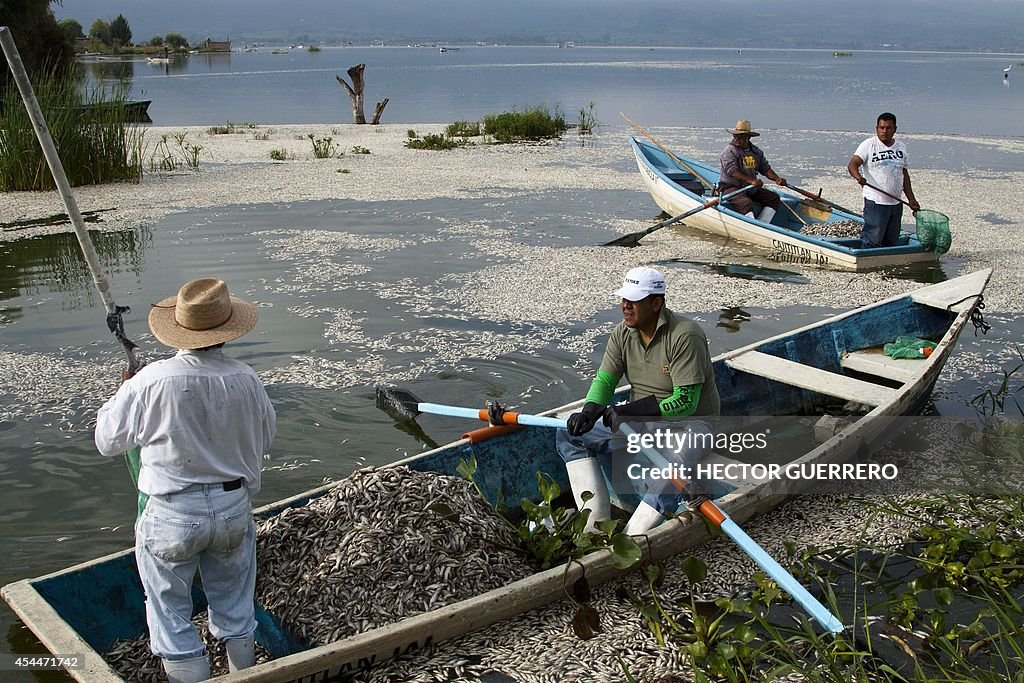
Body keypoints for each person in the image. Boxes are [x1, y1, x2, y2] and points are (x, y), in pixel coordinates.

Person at [95, 278, 277, 683]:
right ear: (226, 330)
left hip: (172, 514)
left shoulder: (152, 380)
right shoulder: (247, 378)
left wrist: (122, 392)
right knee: (234, 607)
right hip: (233, 510)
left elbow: (108, 440)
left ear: (178, 329)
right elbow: (266, 437)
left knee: (171, 615)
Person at [556, 267, 720, 535]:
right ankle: (595, 527)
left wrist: (630, 411)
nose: (625, 306)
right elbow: (606, 381)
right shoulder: (623, 333)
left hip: (692, 424)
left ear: (656, 303)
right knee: (567, 434)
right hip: (641, 421)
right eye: (623, 299)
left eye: (634, 301)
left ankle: (632, 535)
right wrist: (589, 412)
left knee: (675, 462)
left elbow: (687, 402)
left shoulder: (685, 335)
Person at [847, 112, 920, 248]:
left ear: (895, 129)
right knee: (872, 240)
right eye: (881, 128)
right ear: (877, 128)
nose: (884, 131)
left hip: (896, 203)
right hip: (876, 203)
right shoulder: (868, 145)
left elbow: (904, 174)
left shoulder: (901, 147)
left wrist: (911, 199)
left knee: (891, 241)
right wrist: (858, 177)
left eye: (888, 128)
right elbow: (852, 164)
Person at [719, 119, 788, 224]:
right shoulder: (730, 151)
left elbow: (765, 169)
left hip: (750, 188)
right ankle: (752, 225)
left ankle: (763, 223)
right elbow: (732, 172)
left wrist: (777, 179)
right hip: (731, 187)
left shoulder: (756, 152)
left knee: (773, 198)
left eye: (740, 136)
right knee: (745, 202)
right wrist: (751, 181)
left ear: (748, 137)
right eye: (735, 136)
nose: (736, 138)